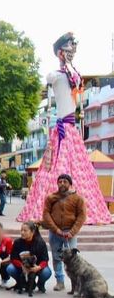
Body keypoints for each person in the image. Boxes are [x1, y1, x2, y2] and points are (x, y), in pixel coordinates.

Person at [17, 32, 110, 225]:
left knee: (76, 167)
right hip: (63, 128)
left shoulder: (71, 76)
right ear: (61, 52)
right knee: (54, 167)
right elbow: (57, 78)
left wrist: (68, 65)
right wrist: (66, 65)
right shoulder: (57, 76)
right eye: (67, 48)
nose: (71, 51)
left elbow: (76, 81)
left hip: (69, 128)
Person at [42, 174, 86, 291]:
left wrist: (72, 232)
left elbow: (82, 216)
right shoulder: (51, 197)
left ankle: (75, 285)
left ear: (70, 184)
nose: (62, 183)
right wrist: (56, 229)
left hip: (70, 233)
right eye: (60, 181)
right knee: (57, 257)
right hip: (55, 232)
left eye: (65, 181)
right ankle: (60, 282)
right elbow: (46, 214)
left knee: (72, 258)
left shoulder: (77, 198)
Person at [6, 222, 52, 294]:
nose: (22, 232)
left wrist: (39, 267)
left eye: (25, 230)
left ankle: (40, 284)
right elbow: (13, 258)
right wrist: (22, 266)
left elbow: (45, 259)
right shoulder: (17, 242)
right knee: (10, 268)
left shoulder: (40, 243)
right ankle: (22, 283)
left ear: (32, 232)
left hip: (36, 267)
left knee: (46, 272)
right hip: (22, 267)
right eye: (21, 230)